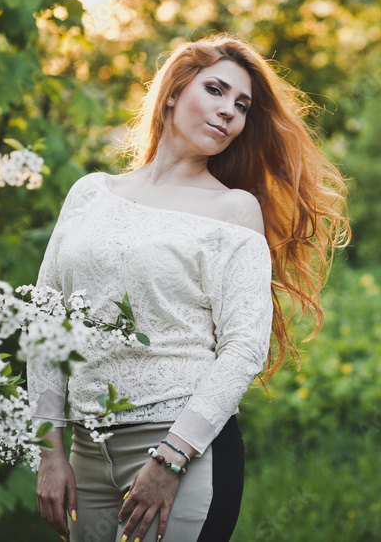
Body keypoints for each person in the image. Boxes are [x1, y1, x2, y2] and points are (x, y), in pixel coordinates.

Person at [27, 33, 349, 542]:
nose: (229, 113)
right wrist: (49, 450)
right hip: (86, 452)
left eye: (241, 105)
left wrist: (171, 459)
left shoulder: (234, 209)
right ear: (175, 90)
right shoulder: (90, 193)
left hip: (182, 452)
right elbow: (45, 322)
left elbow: (244, 347)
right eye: (216, 91)